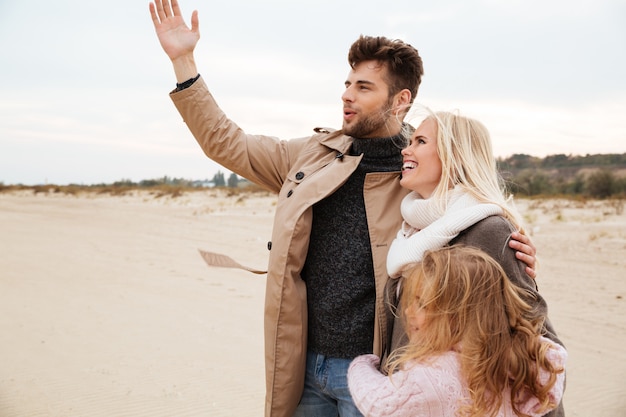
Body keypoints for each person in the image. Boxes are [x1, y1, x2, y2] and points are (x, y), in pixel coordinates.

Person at [148, 2, 538, 416]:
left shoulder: (423, 175)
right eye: (348, 83)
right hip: (303, 366)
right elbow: (227, 143)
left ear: (400, 100)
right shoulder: (312, 155)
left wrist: (520, 257)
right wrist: (184, 62)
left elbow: (478, 225)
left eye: (364, 87)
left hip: (378, 374)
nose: (346, 95)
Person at [378, 109, 566, 417]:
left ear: (455, 157)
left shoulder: (488, 230)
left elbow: (537, 341)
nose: (406, 150)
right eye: (409, 141)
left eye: (420, 141)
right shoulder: (410, 231)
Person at [347, 245, 567, 417]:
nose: (408, 311)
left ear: (457, 317)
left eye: (422, 304)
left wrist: (362, 365)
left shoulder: (428, 377)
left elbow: (377, 404)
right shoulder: (521, 362)